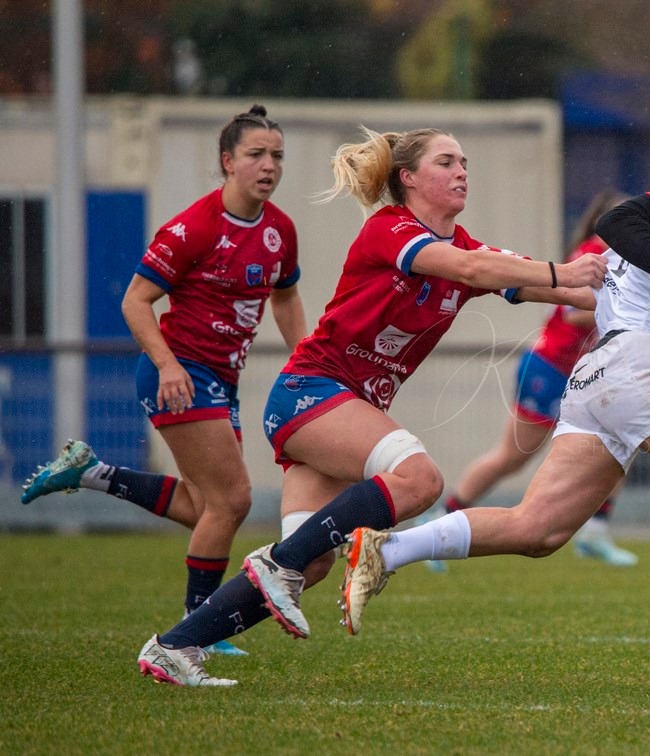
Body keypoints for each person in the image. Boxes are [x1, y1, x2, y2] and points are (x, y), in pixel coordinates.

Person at [336, 96, 650, 680]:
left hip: (602, 374)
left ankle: (388, 549)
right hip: (637, 367)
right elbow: (617, 223)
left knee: (538, 529)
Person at [135, 125, 607, 686]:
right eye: (447, 162)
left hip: (336, 410)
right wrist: (564, 270)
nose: (461, 172)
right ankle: (274, 567)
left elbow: (552, 287)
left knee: (311, 561)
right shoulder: (391, 229)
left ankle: (174, 645)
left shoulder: (466, 248)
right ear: (407, 178)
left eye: (465, 163)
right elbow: (479, 272)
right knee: (419, 479)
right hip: (310, 394)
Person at [23, 105, 306, 657]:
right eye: (255, 155)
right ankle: (195, 633)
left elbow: (287, 296)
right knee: (233, 500)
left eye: (276, 156)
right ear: (227, 162)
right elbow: (135, 301)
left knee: (208, 507)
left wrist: (306, 361)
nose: (268, 165)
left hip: (220, 378)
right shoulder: (192, 227)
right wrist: (170, 365)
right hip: (176, 372)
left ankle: (93, 473)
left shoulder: (280, 231)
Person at [432, 189, 638, 570]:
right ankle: (441, 518)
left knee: (621, 440)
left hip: (584, 372)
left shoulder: (625, 259)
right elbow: (572, 313)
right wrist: (632, 313)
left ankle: (595, 531)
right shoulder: (593, 253)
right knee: (512, 457)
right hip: (549, 368)